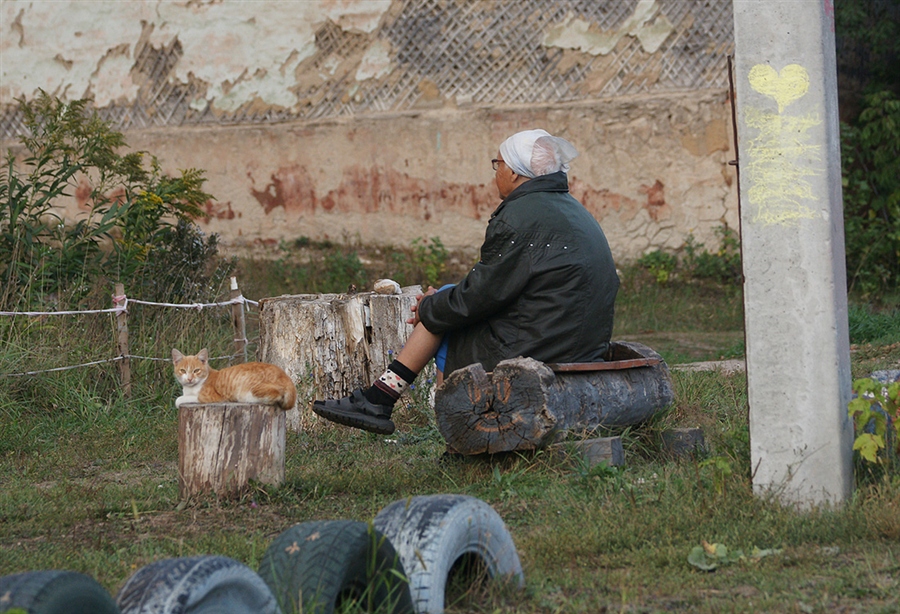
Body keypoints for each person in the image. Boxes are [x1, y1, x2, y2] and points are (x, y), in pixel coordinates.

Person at [312, 128, 619, 434]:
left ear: (513, 172)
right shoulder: (572, 209)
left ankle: (451, 428)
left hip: (543, 346)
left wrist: (431, 307)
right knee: (445, 301)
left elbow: (479, 297)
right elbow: (496, 286)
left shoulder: (520, 216)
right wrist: (441, 302)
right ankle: (383, 398)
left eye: (497, 164)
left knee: (446, 319)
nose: (495, 171)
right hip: (577, 341)